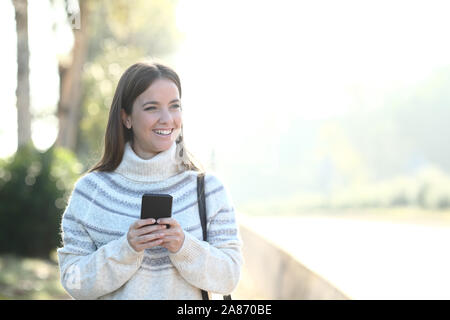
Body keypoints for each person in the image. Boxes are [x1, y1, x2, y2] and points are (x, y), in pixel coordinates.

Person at [57, 61, 243, 299]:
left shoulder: (208, 190)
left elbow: (230, 276)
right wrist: (127, 248)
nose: (167, 119)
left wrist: (184, 246)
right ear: (126, 118)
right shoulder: (90, 192)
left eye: (174, 106)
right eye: (152, 108)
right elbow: (73, 280)